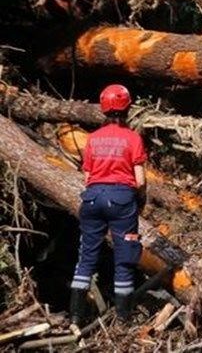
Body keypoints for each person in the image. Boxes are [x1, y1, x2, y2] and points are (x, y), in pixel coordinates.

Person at [69, 84, 147, 325]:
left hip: (92, 199)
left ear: (103, 109)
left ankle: (75, 317)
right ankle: (123, 319)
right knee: (124, 259)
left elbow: (87, 177)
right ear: (127, 109)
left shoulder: (92, 139)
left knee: (86, 258)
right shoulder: (133, 138)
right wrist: (140, 200)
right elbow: (140, 181)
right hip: (122, 200)